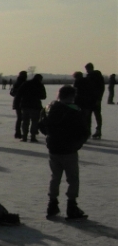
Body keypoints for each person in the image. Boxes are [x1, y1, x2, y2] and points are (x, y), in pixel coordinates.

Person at [38, 85, 90, 219]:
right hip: (69, 149)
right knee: (73, 179)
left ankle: (52, 204)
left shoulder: (48, 108)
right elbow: (84, 131)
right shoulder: (75, 111)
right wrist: (77, 144)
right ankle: (72, 206)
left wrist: (51, 136)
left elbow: (41, 126)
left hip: (53, 149)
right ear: (72, 96)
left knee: (55, 177)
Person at [17, 73, 46, 142]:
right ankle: (33, 137)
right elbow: (44, 96)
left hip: (25, 105)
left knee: (25, 121)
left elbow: (19, 93)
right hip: (35, 106)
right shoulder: (40, 85)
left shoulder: (26, 83)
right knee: (34, 122)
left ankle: (24, 137)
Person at [85, 63, 105, 139]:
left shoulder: (92, 77)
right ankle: (97, 130)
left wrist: (98, 99)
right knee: (96, 115)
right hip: (93, 99)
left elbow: (100, 88)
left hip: (91, 99)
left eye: (87, 69)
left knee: (91, 115)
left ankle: (91, 130)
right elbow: (102, 88)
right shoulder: (96, 76)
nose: (86, 71)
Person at [9, 70, 28, 139]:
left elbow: (12, 92)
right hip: (22, 102)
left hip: (17, 102)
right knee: (22, 118)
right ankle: (19, 132)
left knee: (19, 118)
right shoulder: (24, 83)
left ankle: (18, 132)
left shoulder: (17, 82)